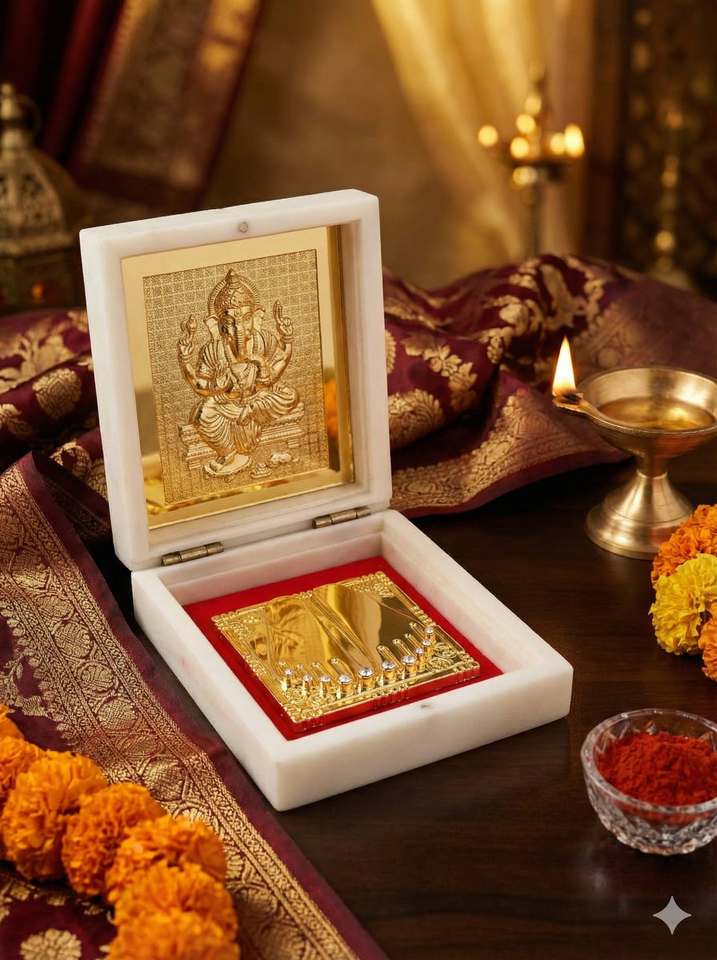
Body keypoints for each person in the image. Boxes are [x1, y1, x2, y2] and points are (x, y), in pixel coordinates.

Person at [178, 269, 299, 477]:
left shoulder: (263, 340)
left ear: (255, 317)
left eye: (246, 319)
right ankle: (228, 453)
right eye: (230, 323)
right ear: (218, 325)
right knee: (203, 413)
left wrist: (284, 344)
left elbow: (276, 371)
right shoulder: (213, 350)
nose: (238, 328)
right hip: (228, 404)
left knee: (290, 395)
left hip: (258, 399)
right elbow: (200, 386)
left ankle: (251, 411)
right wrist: (186, 362)